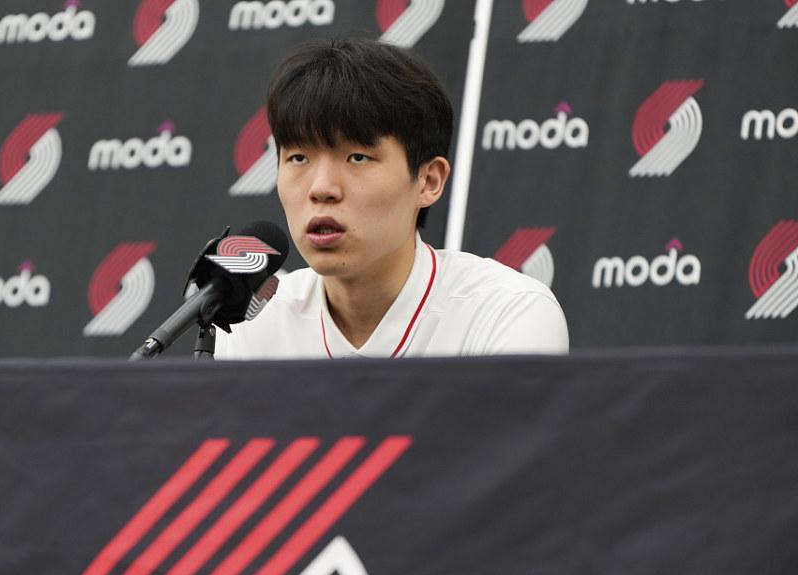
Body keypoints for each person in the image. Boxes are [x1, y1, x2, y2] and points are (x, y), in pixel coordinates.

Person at [215, 37, 568, 359]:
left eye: (357, 158)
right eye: (298, 158)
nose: (321, 189)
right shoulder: (255, 322)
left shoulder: (506, 313)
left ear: (429, 181)